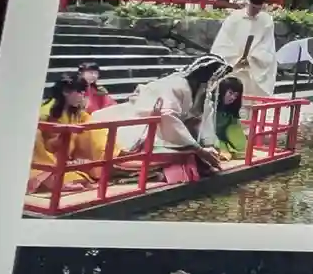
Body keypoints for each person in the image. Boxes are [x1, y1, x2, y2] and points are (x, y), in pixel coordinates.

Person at [90, 56, 229, 183]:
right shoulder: (176, 85)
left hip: (167, 134)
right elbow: (167, 116)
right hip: (142, 128)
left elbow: (202, 121)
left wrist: (209, 145)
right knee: (186, 156)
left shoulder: (202, 93)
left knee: (193, 159)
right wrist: (198, 148)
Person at [28, 74, 102, 193]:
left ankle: (115, 155)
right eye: (79, 92)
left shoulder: (75, 111)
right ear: (66, 92)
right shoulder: (46, 113)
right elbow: (48, 146)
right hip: (46, 159)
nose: (82, 96)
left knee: (95, 129)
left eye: (83, 93)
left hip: (64, 157)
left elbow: (89, 124)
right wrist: (63, 138)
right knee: (35, 136)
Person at [209, 0, 278, 95]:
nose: (256, 11)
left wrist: (251, 58)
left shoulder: (266, 21)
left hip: (253, 71)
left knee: (251, 98)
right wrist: (236, 58)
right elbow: (223, 44)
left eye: (259, 8)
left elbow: (267, 46)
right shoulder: (234, 18)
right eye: (253, 8)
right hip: (234, 68)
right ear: (248, 2)